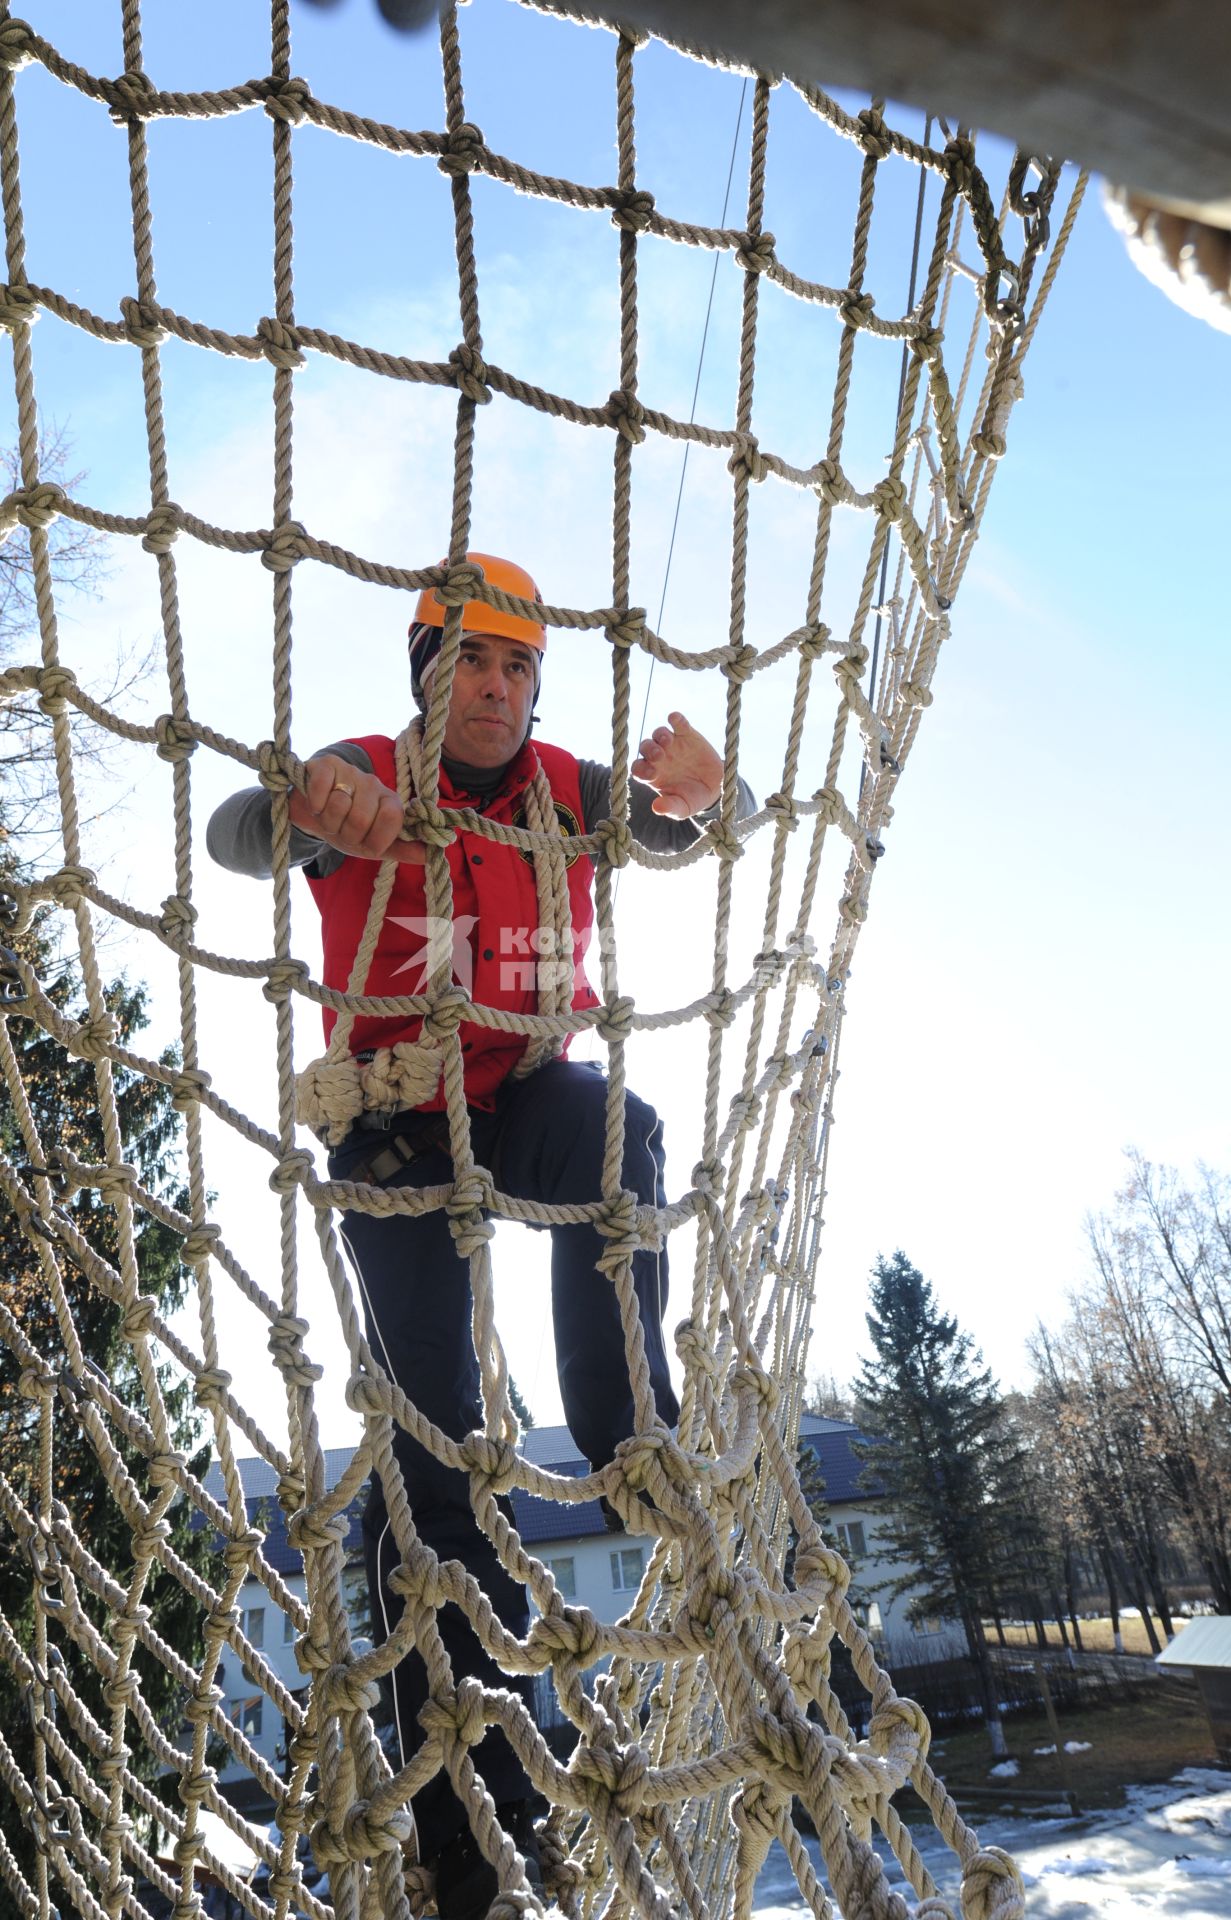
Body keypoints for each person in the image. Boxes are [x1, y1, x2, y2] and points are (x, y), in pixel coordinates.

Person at [206, 552, 756, 1920]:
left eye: (518, 666)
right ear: (424, 673)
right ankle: (469, 1827)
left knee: (615, 1126)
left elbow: (685, 831)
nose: (497, 689)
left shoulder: (562, 787)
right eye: (470, 662)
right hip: (396, 1119)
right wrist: (303, 805)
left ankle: (633, 1433)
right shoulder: (368, 769)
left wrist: (713, 789)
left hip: (522, 1099)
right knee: (433, 1451)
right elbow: (239, 833)